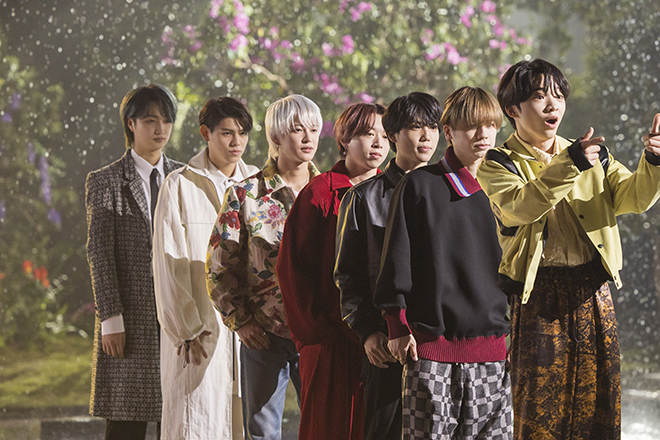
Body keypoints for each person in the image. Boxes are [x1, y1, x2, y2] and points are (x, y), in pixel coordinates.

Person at [476, 58, 660, 439]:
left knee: (599, 405)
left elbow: (635, 197)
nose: (552, 105)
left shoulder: (591, 154)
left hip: (593, 290)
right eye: (539, 96)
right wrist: (570, 164)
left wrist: (654, 161)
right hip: (539, 297)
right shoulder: (497, 163)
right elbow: (522, 206)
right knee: (540, 412)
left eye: (559, 96)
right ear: (513, 109)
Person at [375, 87, 512, 439]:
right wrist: (397, 325)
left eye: (490, 125)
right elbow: (397, 260)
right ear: (448, 131)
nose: (483, 135)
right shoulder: (418, 186)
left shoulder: (509, 189)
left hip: (494, 354)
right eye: (471, 126)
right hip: (431, 353)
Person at [206, 94, 322, 440]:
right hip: (264, 333)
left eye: (314, 129)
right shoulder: (245, 195)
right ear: (276, 137)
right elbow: (219, 265)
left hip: (318, 333)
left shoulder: (331, 192)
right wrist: (240, 321)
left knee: (322, 427)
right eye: (297, 129)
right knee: (261, 433)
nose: (308, 138)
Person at [276, 102, 389, 440]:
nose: (378, 143)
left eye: (385, 135)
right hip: (332, 341)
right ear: (344, 140)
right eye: (367, 134)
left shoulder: (394, 191)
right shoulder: (321, 193)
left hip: (384, 340)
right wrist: (319, 334)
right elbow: (292, 270)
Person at [334, 92, 443, 440]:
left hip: (440, 341)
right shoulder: (362, 197)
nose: (426, 136)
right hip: (386, 341)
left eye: (432, 127)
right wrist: (368, 331)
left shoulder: (449, 192)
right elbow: (348, 274)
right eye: (415, 127)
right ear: (393, 134)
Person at [153, 97, 259, 440]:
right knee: (196, 424)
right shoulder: (180, 185)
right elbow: (169, 262)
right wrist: (186, 328)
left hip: (251, 332)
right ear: (205, 133)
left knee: (246, 423)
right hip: (200, 333)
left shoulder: (258, 185)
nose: (236, 142)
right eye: (227, 133)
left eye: (242, 133)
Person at [86, 84, 184, 440]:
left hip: (178, 316)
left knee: (178, 419)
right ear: (131, 124)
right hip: (131, 317)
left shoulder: (184, 178)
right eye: (150, 120)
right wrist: (110, 319)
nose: (161, 129)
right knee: (126, 420)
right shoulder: (106, 181)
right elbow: (100, 253)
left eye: (166, 120)